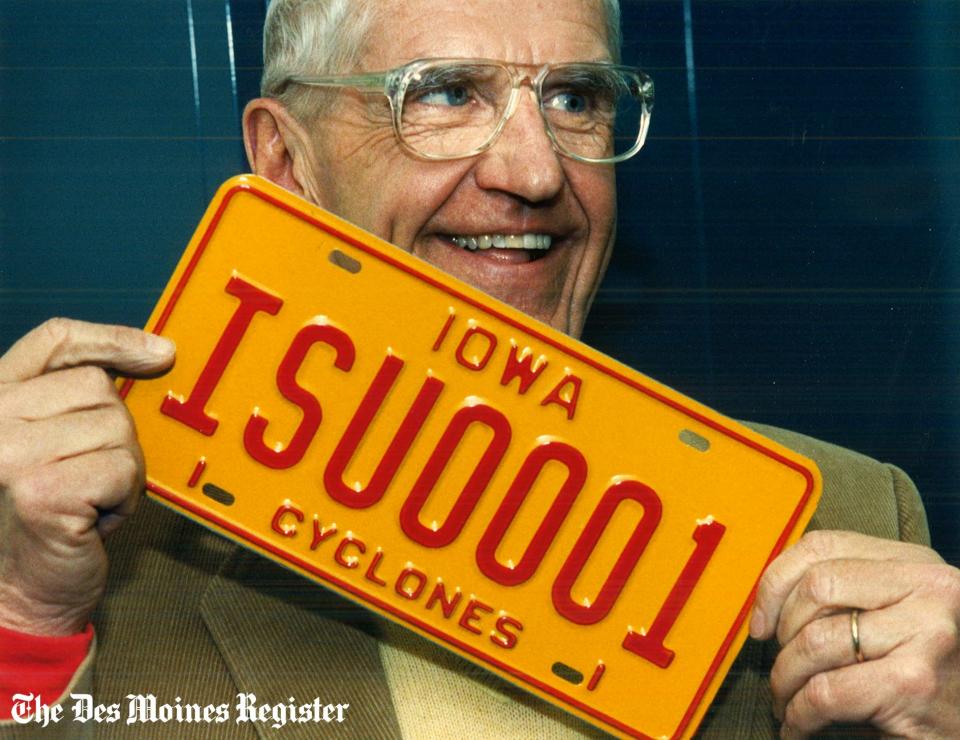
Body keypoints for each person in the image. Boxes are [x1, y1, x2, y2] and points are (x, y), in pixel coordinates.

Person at [1, 0, 958, 737]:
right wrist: (22, 632)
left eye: (577, 99)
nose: (535, 171)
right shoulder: (82, 553)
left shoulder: (850, 520)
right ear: (285, 163)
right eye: (446, 92)